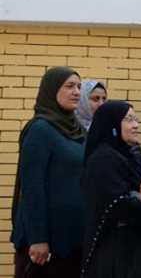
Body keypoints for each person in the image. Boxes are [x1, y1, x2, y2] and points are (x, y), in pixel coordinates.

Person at [11, 66, 86, 278]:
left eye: (79, 87)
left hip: (72, 239)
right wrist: (38, 238)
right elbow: (32, 187)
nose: (76, 92)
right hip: (46, 245)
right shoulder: (40, 129)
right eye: (69, 86)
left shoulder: (78, 130)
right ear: (51, 90)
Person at [81, 100, 141, 278]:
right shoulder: (104, 159)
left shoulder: (131, 155)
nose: (135, 125)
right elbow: (118, 205)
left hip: (133, 247)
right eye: (129, 120)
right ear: (113, 125)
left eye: (136, 119)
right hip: (114, 251)